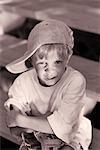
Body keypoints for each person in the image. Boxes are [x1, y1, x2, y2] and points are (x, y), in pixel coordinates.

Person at [4, 19, 92, 150]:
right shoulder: (23, 82)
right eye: (42, 63)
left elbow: (65, 127)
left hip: (71, 133)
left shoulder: (75, 81)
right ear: (31, 61)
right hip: (35, 135)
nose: (50, 70)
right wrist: (41, 123)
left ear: (67, 58)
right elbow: (14, 129)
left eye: (57, 62)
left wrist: (21, 120)